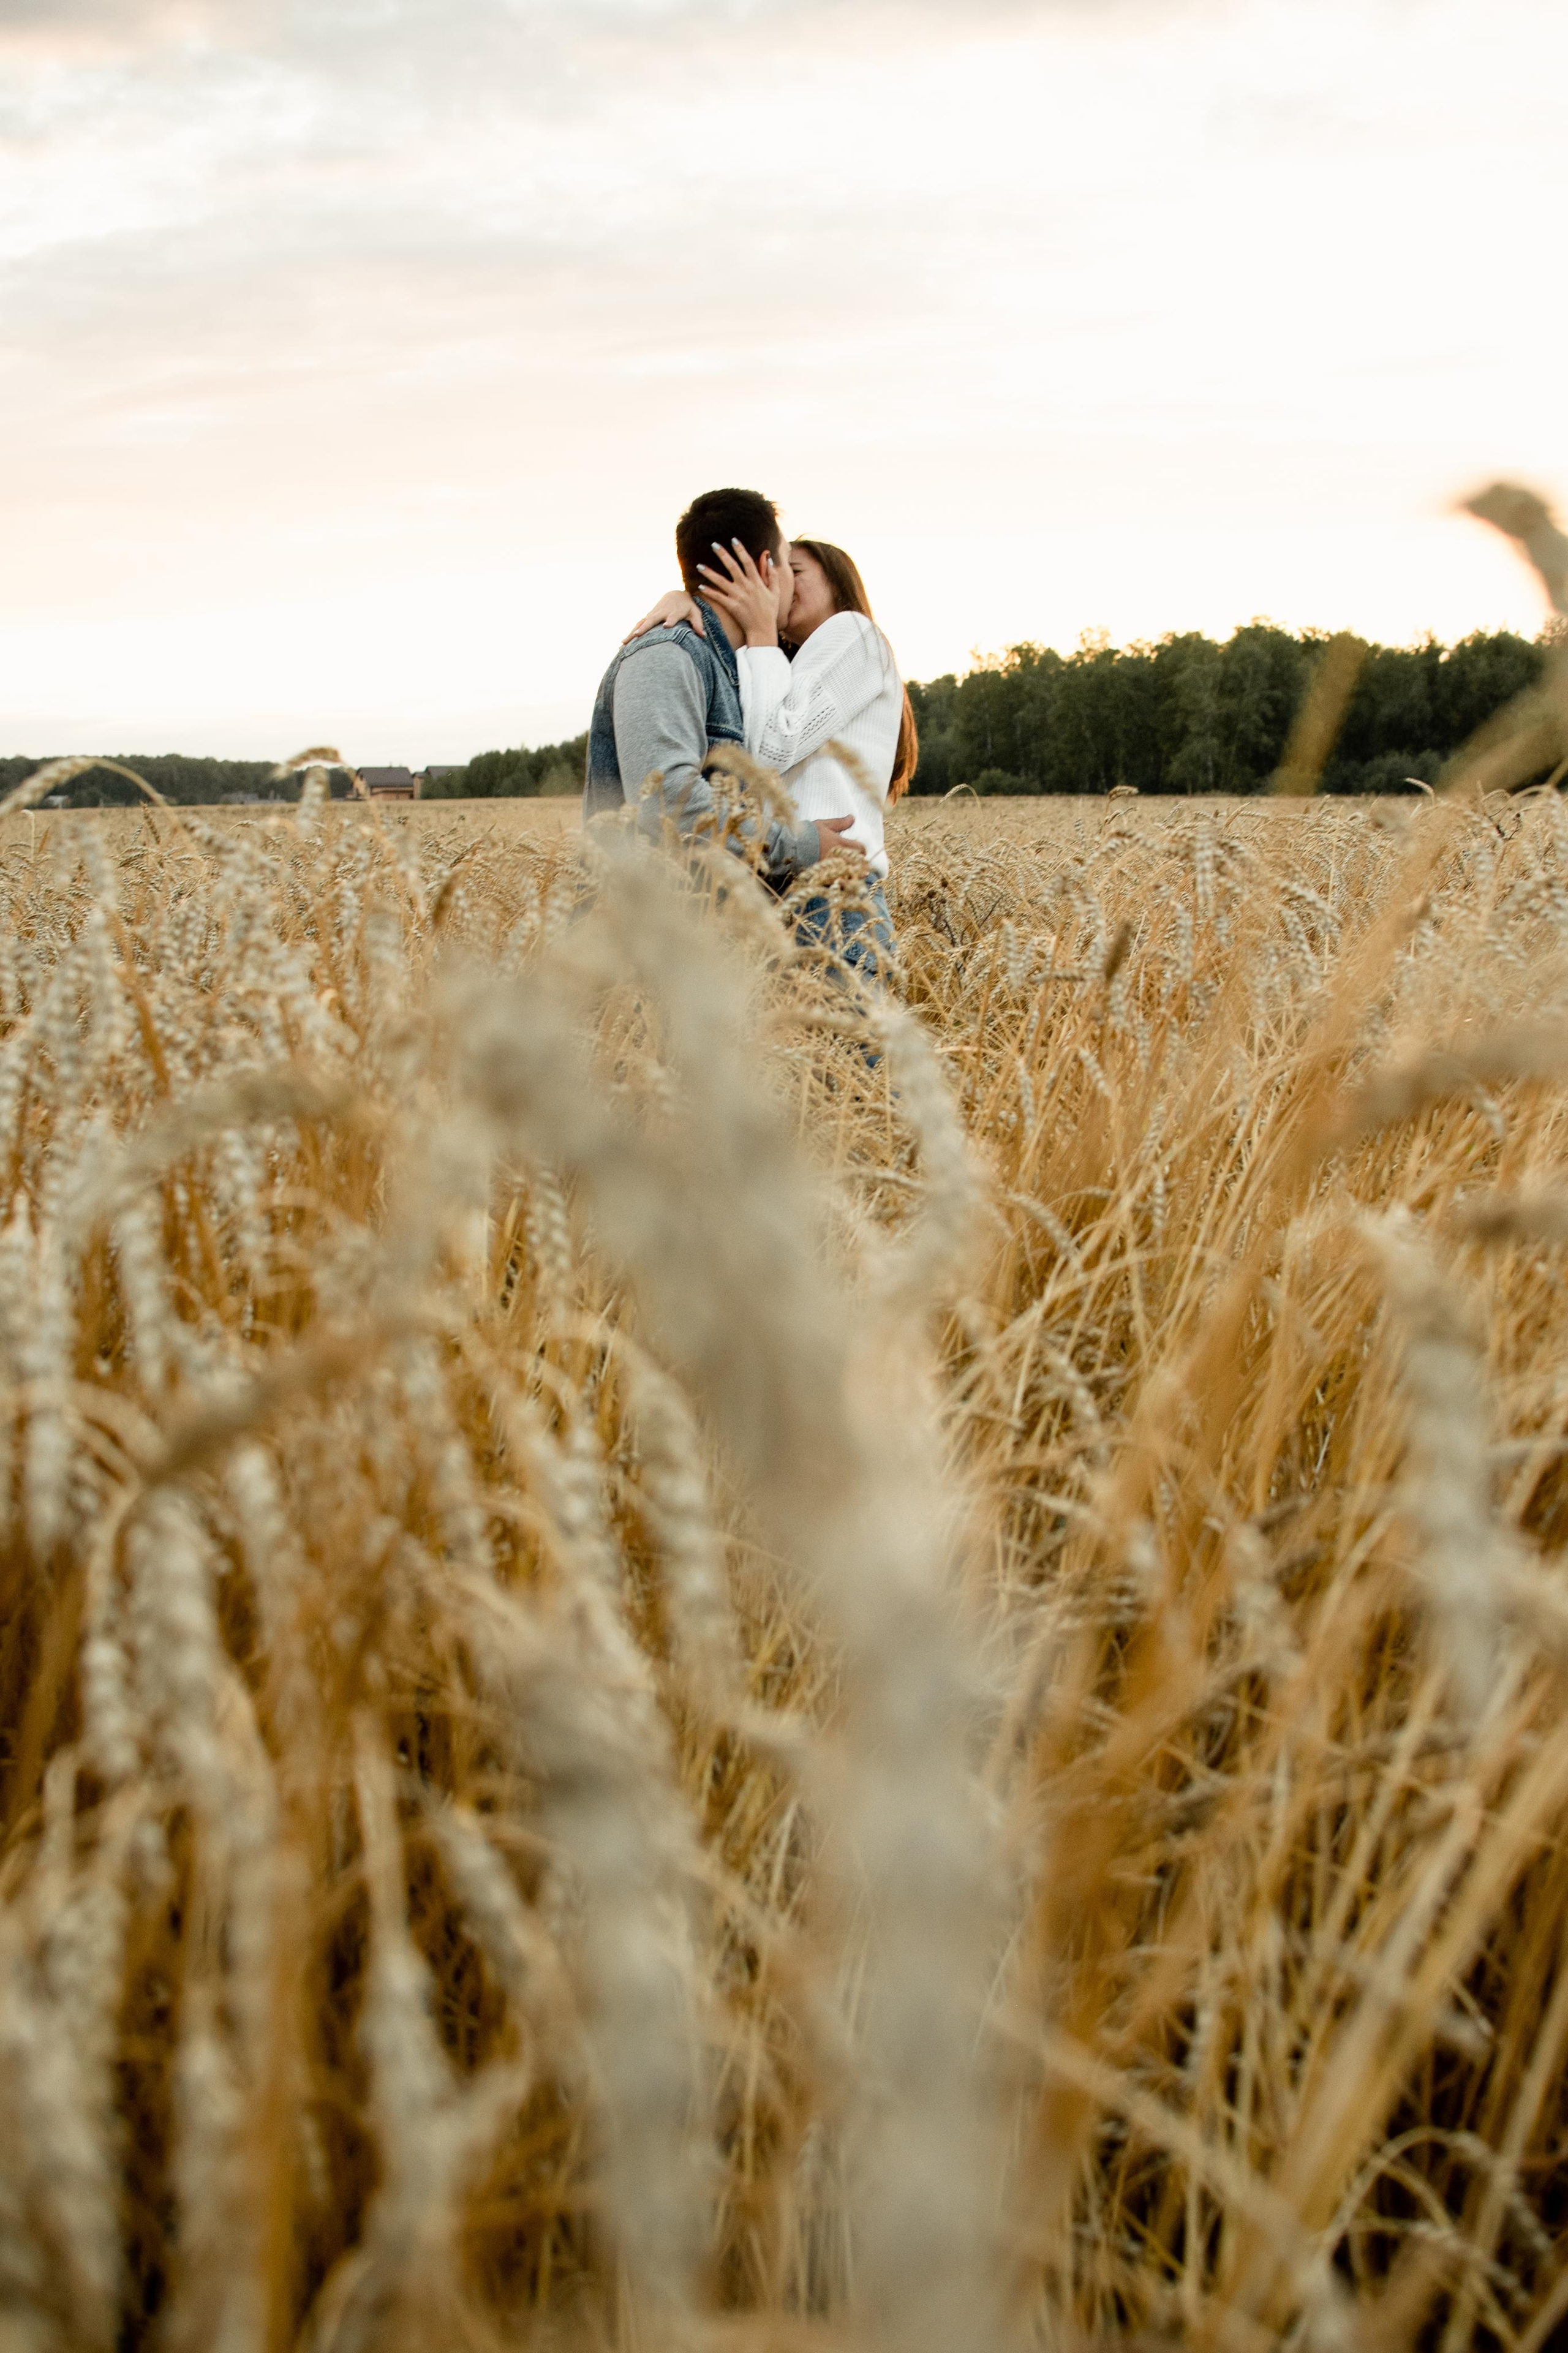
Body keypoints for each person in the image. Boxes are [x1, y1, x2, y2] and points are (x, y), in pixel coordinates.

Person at [627, 535, 916, 981]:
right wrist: (688, 600)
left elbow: (766, 753)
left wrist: (761, 631)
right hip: (775, 897)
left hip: (831, 896)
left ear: (837, 581)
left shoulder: (854, 632)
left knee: (848, 1052)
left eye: (793, 571)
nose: (777, 585)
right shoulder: (782, 665)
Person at [584, 487, 864, 889]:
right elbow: (669, 805)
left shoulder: (739, 668)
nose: (792, 579)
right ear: (767, 569)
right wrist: (801, 845)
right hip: (638, 938)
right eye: (789, 563)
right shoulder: (667, 655)